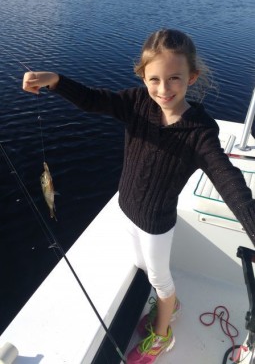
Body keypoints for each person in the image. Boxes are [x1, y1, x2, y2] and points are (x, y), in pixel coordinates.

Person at [22, 29, 255, 364]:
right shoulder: (135, 103)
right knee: (141, 266)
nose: (163, 89)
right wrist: (56, 80)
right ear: (142, 77)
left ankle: (162, 334)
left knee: (160, 279)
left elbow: (229, 182)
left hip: (156, 224)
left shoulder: (200, 132)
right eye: (154, 79)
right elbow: (93, 99)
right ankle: (169, 306)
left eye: (174, 78)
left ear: (193, 77)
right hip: (126, 210)